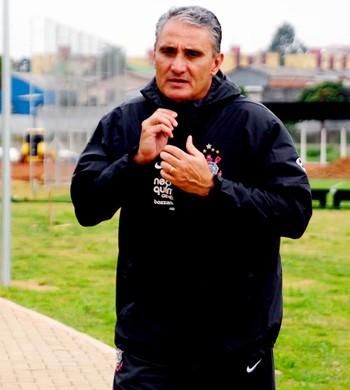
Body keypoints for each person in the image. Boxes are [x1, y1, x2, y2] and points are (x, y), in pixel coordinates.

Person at [70, 5, 312, 389]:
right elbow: (86, 205)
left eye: (192, 54)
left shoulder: (255, 124)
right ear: (154, 55)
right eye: (168, 52)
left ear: (216, 61)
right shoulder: (127, 120)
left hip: (235, 349)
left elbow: (295, 213)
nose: (177, 65)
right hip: (147, 348)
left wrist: (215, 189)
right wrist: (134, 160)